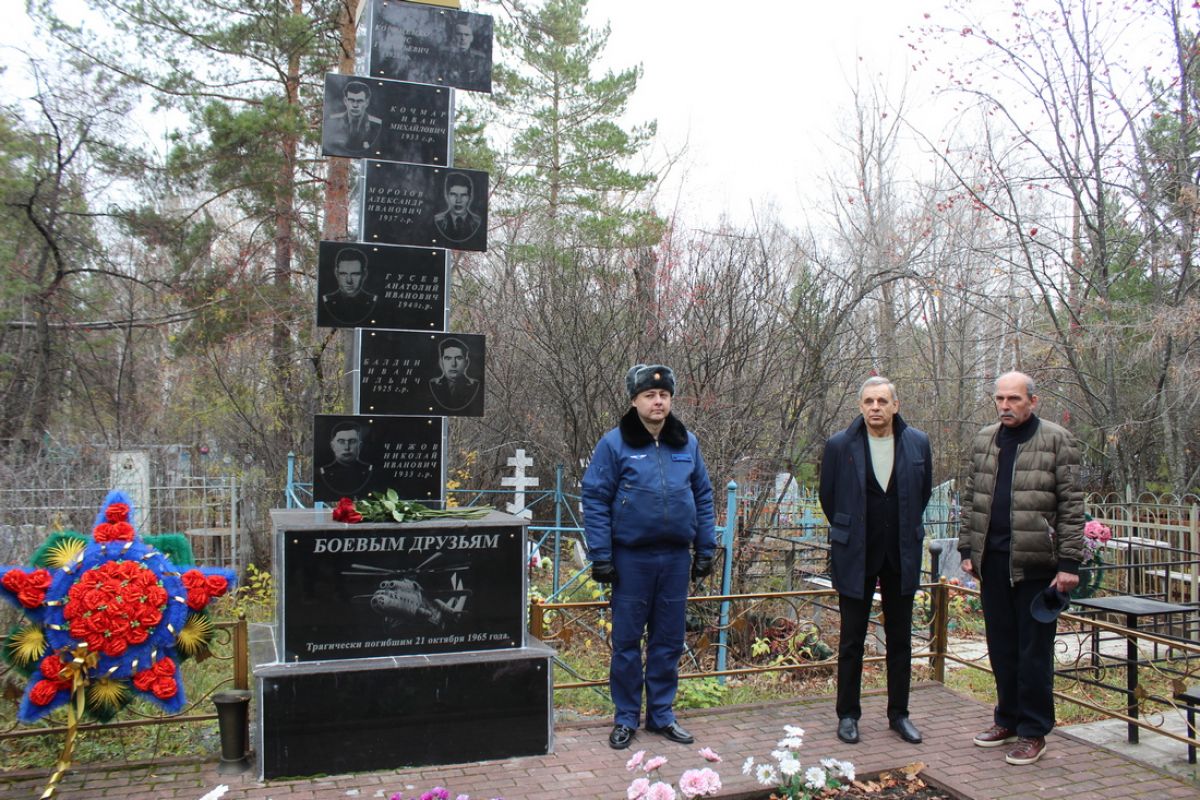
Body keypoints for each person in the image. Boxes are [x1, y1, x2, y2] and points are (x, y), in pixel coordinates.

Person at [582, 364, 716, 750]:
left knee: (668, 640)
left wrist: (704, 548)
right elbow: (595, 498)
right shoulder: (615, 444)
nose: (658, 402)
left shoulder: (686, 443)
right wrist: (601, 555)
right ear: (634, 400)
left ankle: (661, 715)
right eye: (649, 395)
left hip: (674, 558)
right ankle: (626, 717)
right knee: (626, 642)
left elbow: (703, 496)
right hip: (631, 560)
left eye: (664, 396)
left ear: (671, 400)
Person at [958, 371, 1084, 765]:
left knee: (1034, 653)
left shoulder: (1056, 440)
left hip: (1037, 566)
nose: (1005, 406)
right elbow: (970, 497)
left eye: (1013, 399)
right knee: (1002, 648)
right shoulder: (984, 438)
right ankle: (1007, 719)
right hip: (992, 563)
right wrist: (967, 548)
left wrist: (1068, 562)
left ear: (1033, 400)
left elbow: (1072, 505)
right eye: (999, 399)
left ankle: (1033, 732)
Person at [819, 376, 932, 747]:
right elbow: (829, 497)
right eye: (868, 401)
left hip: (900, 552)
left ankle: (899, 714)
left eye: (882, 401)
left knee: (900, 639)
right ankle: (848, 715)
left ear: (895, 405)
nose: (875, 408)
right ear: (860, 405)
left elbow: (923, 492)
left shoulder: (917, 443)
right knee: (851, 639)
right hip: (856, 554)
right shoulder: (840, 445)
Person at [321, 248, 377, 325]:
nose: (349, 280)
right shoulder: (327, 301)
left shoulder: (373, 301)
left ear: (364, 274)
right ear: (336, 273)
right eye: (343, 274)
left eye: (355, 274)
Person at [325, 80, 382, 155]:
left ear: (366, 103)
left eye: (360, 101)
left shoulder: (376, 124)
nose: (355, 105)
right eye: (351, 100)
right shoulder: (333, 122)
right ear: (345, 101)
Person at [319, 421, 374, 497]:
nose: (347, 447)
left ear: (360, 446)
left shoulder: (369, 470)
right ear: (333, 446)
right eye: (341, 441)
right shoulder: (324, 472)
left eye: (352, 441)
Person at [428, 337, 481, 412]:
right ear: (441, 362)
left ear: (466, 362)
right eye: (448, 358)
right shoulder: (433, 384)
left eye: (459, 358)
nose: (453, 364)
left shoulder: (474, 385)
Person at [433, 173, 482, 243]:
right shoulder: (438, 220)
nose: (458, 200)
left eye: (463, 195)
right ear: (446, 195)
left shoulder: (477, 221)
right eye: (454, 195)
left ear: (470, 197)